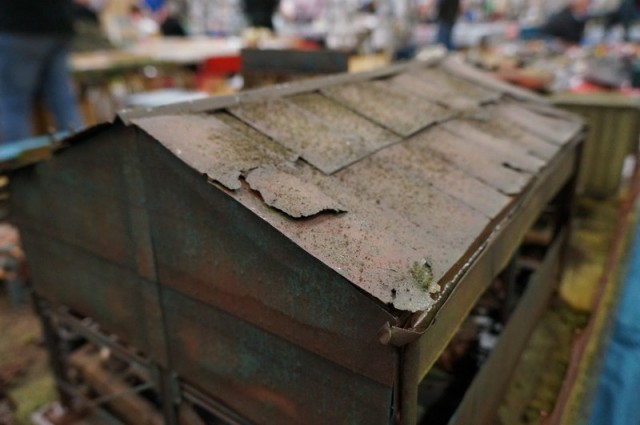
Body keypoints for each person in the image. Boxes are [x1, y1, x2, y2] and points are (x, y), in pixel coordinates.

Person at [0, 0, 84, 144]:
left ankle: (22, 164)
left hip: (20, 27)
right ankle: (85, 153)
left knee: (13, 106)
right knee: (62, 100)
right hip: (59, 24)